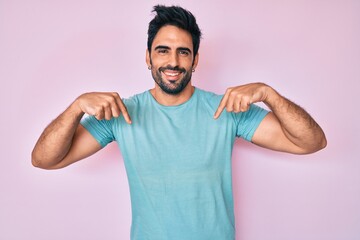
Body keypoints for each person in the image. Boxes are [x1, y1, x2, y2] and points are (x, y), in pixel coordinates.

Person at [31, 5, 327, 240]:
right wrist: (76, 107)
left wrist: (268, 94)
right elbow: (44, 160)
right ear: (148, 57)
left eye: (183, 52)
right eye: (163, 50)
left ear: (195, 60)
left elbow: (312, 142)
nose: (173, 62)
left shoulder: (226, 109)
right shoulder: (120, 113)